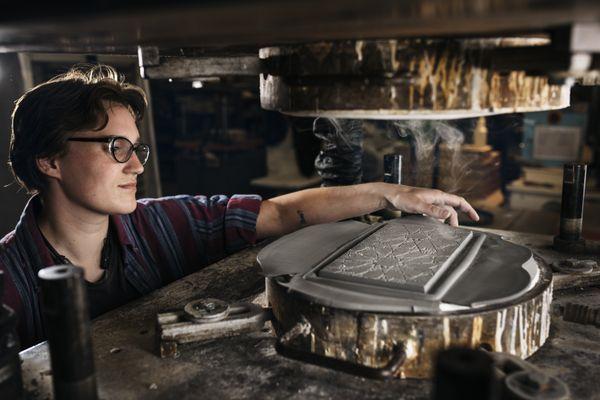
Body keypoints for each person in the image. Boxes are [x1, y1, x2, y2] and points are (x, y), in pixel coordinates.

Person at [0, 65, 479, 349]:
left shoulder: (161, 223)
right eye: (115, 148)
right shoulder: (8, 284)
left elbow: (279, 213)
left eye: (136, 149)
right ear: (49, 160)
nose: (135, 168)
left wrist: (391, 193)